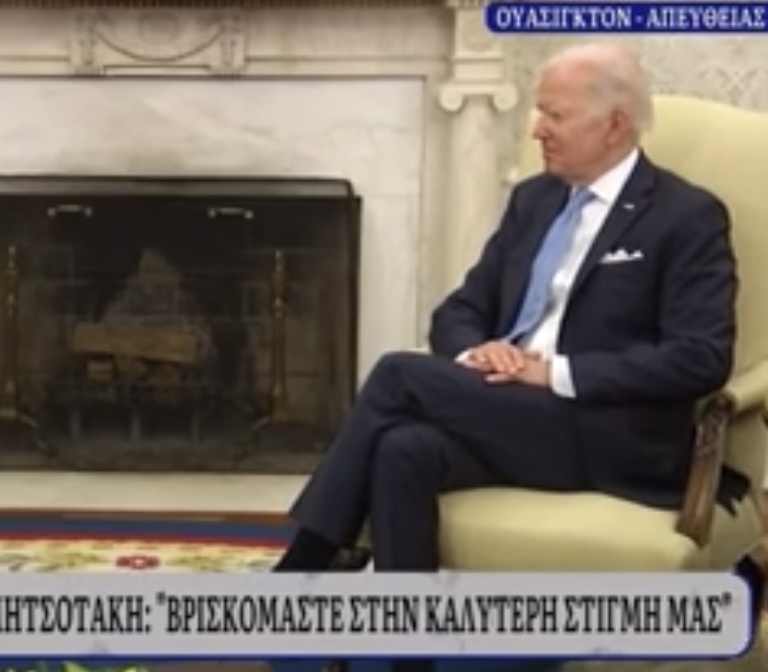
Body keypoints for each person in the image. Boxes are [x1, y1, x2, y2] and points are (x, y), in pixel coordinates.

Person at [276, 44, 740, 671]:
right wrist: (480, 349)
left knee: (397, 374)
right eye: (537, 112)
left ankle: (300, 570)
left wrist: (555, 373)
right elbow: (458, 311)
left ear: (615, 124)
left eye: (555, 115)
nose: (536, 129)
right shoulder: (534, 201)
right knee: (402, 449)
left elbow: (700, 357)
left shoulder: (686, 217)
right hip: (509, 413)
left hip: (607, 432)